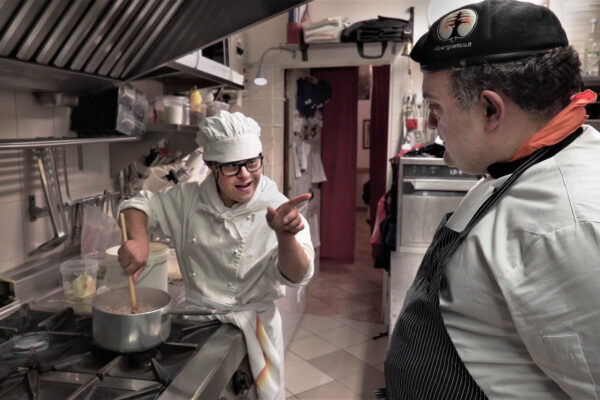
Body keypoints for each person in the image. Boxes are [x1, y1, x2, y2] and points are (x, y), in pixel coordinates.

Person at [384, 1, 600, 399]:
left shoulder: (569, 225)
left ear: (489, 110)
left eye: (436, 108)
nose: (432, 125)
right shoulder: (518, 165)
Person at [117, 110, 314, 400]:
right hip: (198, 327)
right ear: (211, 166)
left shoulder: (278, 208)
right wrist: (139, 238)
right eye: (232, 167)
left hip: (252, 330)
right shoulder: (187, 199)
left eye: (252, 162)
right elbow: (137, 204)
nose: (246, 175)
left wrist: (285, 238)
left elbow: (299, 276)